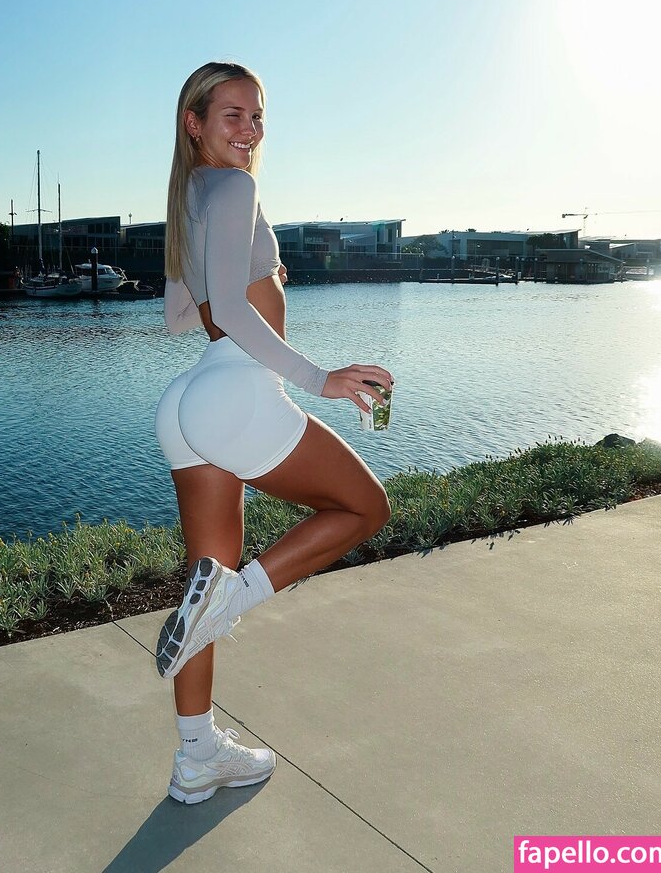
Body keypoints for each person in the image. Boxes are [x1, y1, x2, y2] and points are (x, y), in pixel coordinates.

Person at [154, 62, 393, 804]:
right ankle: (231, 602)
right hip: (237, 392)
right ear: (194, 122)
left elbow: (181, 314)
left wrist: (247, 288)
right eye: (232, 114)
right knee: (365, 507)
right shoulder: (233, 188)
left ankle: (198, 757)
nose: (250, 130)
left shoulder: (188, 195)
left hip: (189, 398)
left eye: (257, 116)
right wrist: (321, 378)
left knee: (204, 579)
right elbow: (229, 305)